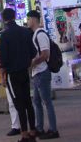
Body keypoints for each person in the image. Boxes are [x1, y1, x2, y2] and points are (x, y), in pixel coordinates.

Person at [0, 7, 37, 140]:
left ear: (3, 19)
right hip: (24, 71)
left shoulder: (4, 36)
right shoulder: (25, 32)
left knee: (19, 105)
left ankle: (24, 134)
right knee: (28, 102)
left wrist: (3, 76)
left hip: (12, 74)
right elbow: (33, 52)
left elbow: (3, 59)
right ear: (15, 16)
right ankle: (33, 131)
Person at [26, 10, 58, 138]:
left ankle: (53, 130)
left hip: (42, 72)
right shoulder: (35, 34)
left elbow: (45, 54)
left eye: (28, 19)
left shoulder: (40, 34)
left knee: (47, 102)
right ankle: (39, 128)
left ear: (34, 19)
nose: (27, 22)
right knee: (37, 102)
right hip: (37, 73)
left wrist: (33, 63)